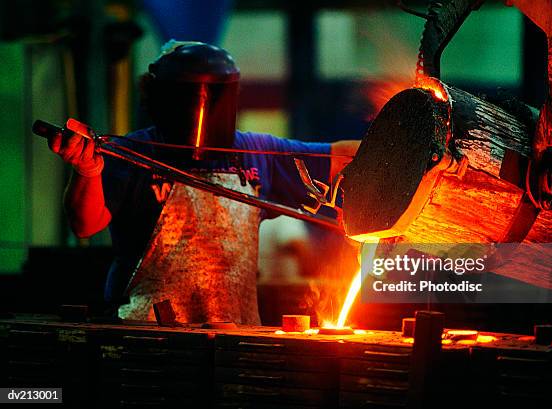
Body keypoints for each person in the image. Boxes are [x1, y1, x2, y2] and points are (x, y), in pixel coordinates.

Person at [48, 41, 359, 322]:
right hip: (143, 333)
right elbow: (85, 225)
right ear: (160, 97)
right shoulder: (132, 154)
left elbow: (341, 157)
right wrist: (87, 170)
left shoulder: (256, 152)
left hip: (232, 334)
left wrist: (401, 143)